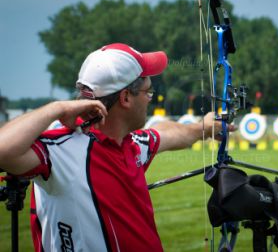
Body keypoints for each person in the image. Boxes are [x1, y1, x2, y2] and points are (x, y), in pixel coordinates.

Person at [0, 43, 234, 252]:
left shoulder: (132, 144)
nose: (150, 99)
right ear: (125, 98)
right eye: (148, 92)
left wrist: (203, 127)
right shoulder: (61, 150)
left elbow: (170, 133)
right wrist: (58, 108)